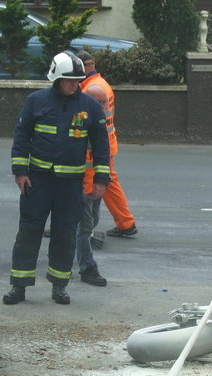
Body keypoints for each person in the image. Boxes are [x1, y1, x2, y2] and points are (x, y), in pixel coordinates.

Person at [3, 51, 110, 306]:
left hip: (71, 185)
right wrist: (20, 172)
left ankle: (59, 286)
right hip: (37, 182)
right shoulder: (35, 101)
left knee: (65, 235)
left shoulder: (89, 106)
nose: (74, 85)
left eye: (77, 80)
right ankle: (19, 285)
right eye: (68, 80)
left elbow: (101, 145)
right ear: (56, 78)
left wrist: (101, 179)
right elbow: (21, 136)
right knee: (29, 232)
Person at [77, 51, 138, 239]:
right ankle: (125, 222)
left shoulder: (90, 90)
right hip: (107, 142)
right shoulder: (101, 84)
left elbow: (87, 124)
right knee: (108, 181)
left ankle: (120, 223)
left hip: (95, 147)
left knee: (93, 185)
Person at [75, 84, 110, 287]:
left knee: (89, 223)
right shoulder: (81, 123)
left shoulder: (97, 121)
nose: (104, 106)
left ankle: (67, 254)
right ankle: (87, 267)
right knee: (85, 228)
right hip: (82, 186)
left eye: (105, 102)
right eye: (100, 102)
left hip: (93, 185)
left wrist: (102, 180)